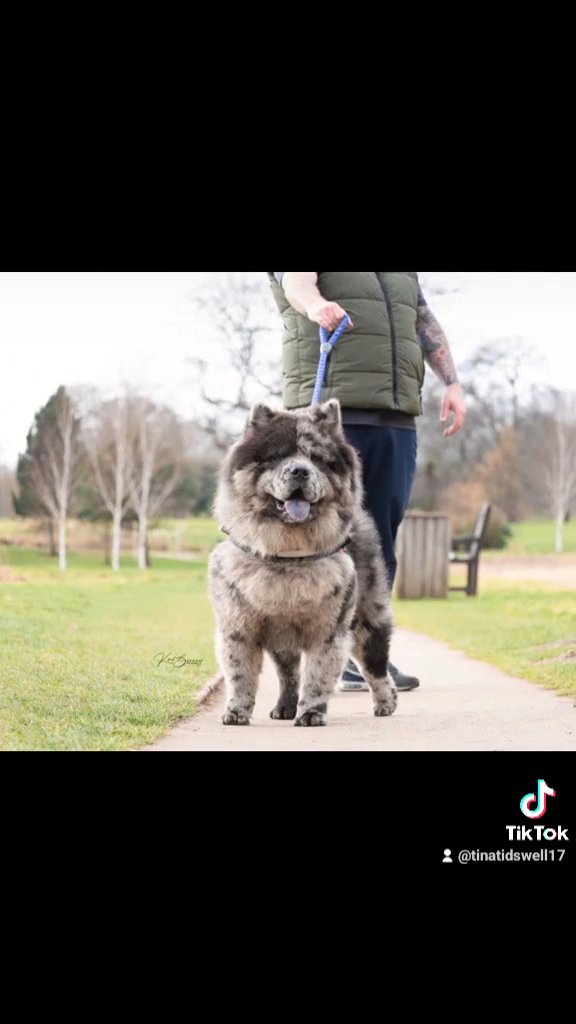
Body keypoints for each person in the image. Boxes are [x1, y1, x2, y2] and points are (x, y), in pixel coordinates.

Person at [267, 271, 466, 692]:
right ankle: (311, 654)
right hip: (332, 417)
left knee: (379, 542)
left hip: (396, 418)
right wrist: (316, 306)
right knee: (321, 538)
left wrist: (452, 382)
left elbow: (422, 317)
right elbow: (296, 283)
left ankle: (365, 657)